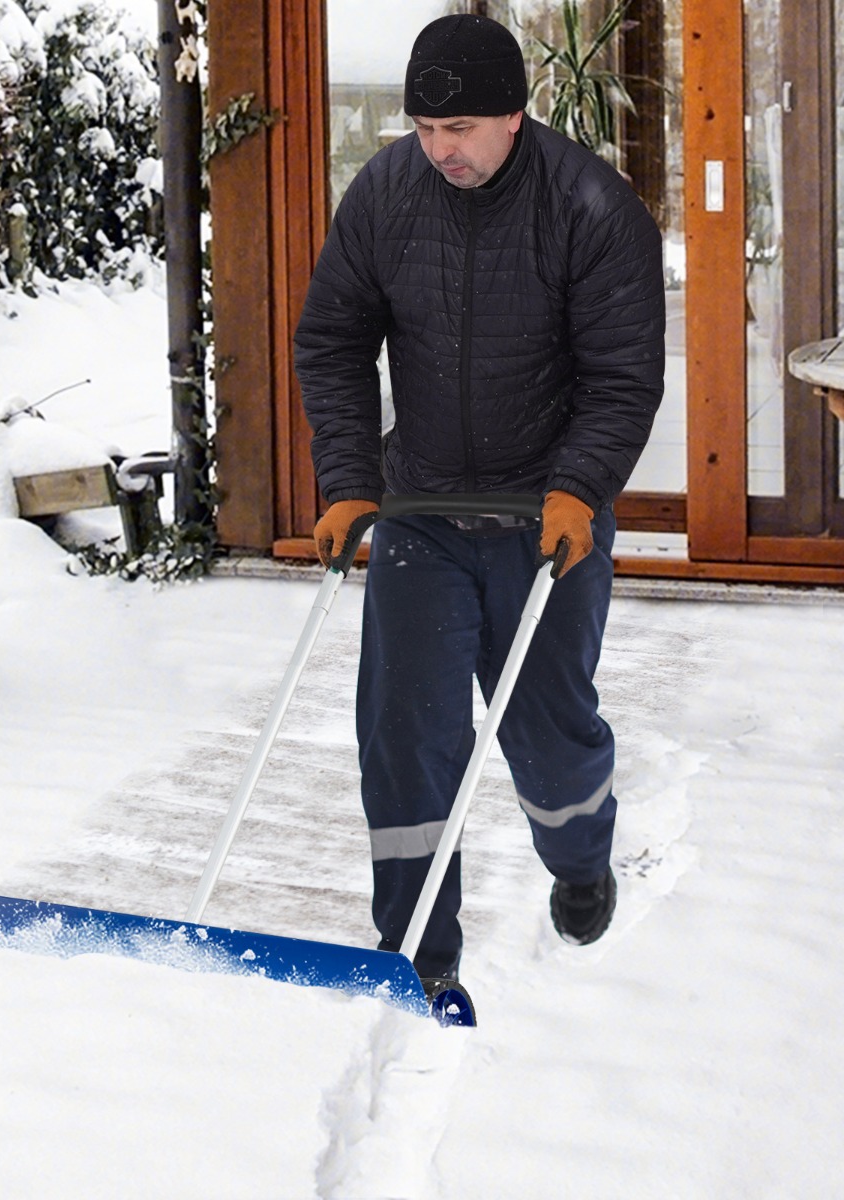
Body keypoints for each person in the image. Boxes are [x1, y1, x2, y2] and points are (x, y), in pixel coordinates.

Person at [293, 14, 664, 990]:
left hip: (546, 518)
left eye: (456, 130)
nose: (437, 150)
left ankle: (582, 862)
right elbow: (333, 338)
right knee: (405, 731)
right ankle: (418, 957)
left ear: (513, 113)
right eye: (422, 129)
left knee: (547, 733)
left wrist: (580, 488)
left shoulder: (590, 205)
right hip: (421, 510)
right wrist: (346, 481)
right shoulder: (384, 195)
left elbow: (621, 376)